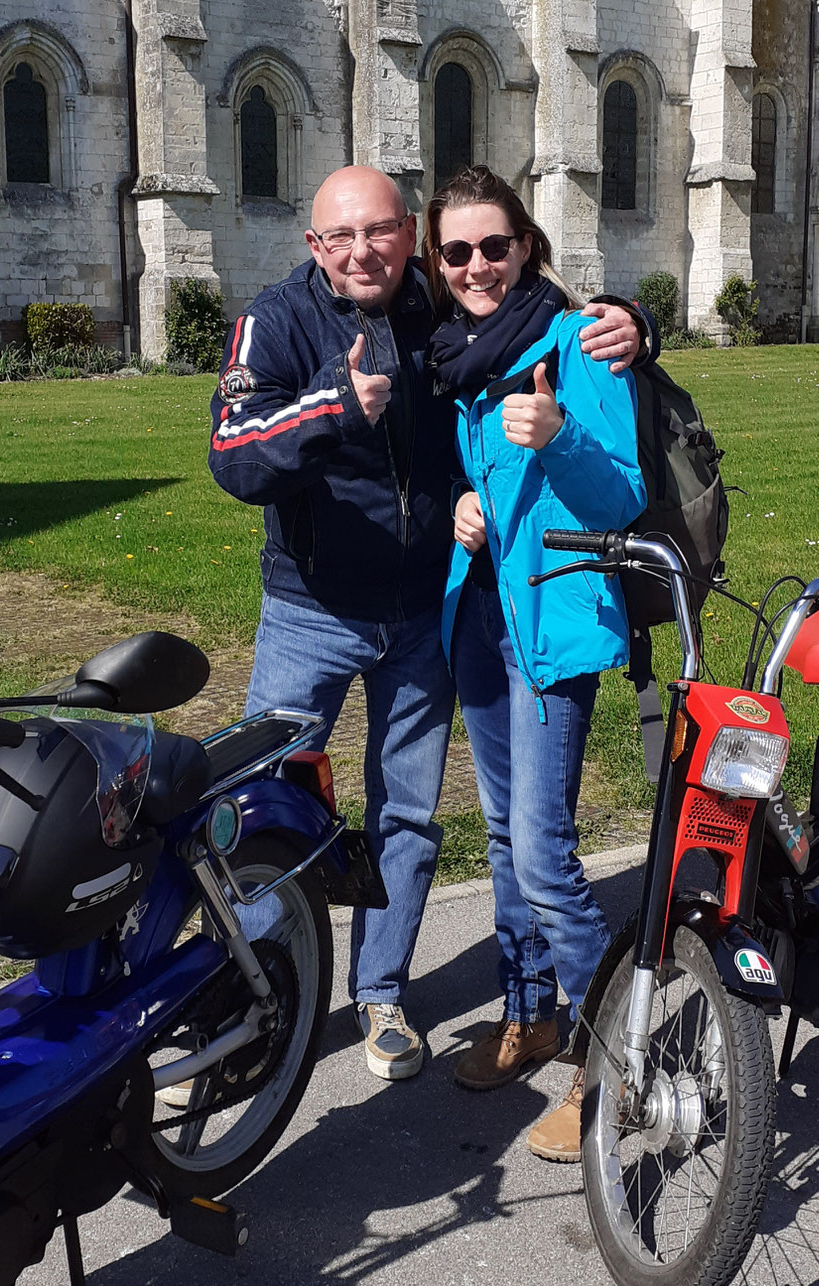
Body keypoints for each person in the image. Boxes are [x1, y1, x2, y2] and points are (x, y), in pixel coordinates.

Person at [208, 165, 644, 1083]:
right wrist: (331, 406)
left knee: (407, 814)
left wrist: (637, 323)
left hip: (425, 613)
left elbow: (556, 362)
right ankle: (257, 1007)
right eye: (341, 238)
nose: (362, 252)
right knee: (261, 808)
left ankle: (382, 995)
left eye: (380, 232)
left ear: (409, 236)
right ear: (315, 247)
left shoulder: (443, 321)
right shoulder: (279, 319)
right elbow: (233, 455)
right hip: (313, 610)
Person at [428, 167, 645, 1162]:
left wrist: (556, 438)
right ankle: (532, 1014)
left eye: (494, 245)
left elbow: (620, 501)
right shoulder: (461, 359)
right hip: (486, 621)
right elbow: (482, 494)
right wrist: (462, 517)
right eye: (457, 251)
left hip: (554, 633)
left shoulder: (578, 342)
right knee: (507, 845)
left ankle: (615, 1062)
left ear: (527, 247)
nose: (476, 264)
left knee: (545, 854)